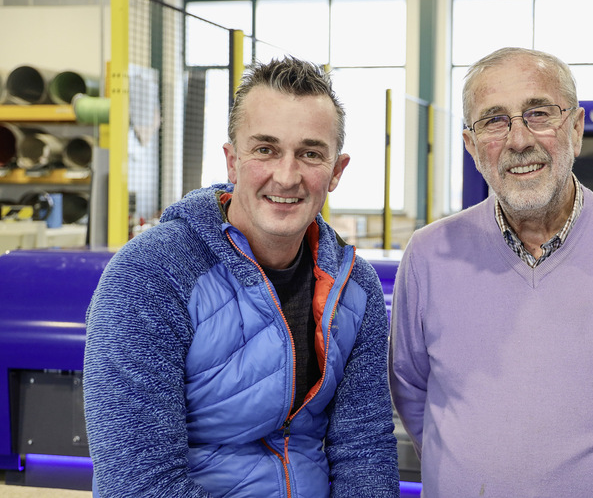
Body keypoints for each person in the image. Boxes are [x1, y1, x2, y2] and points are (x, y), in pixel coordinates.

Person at [389, 47, 593, 497]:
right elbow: (409, 388)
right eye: (494, 120)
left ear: (576, 129)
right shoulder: (429, 256)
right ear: (471, 145)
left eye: (538, 114)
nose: (519, 139)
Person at [84, 56, 399, 497]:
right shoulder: (151, 274)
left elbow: (364, 450)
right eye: (265, 149)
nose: (287, 176)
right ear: (232, 162)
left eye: (310, 154)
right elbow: (138, 483)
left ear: (336, 172)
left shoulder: (354, 286)